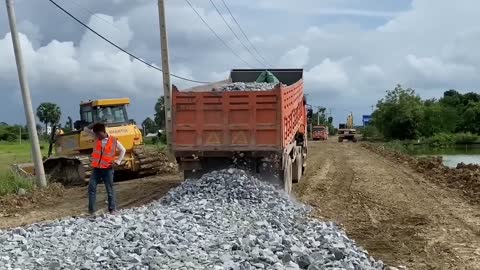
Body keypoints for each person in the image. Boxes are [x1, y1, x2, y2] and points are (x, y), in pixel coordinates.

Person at [84, 122, 126, 215]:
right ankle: (91, 210)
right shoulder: (95, 137)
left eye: (99, 134)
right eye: (96, 134)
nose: (98, 136)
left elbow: (123, 150)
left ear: (104, 132)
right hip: (97, 169)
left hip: (108, 169)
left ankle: (112, 209)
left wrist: (118, 161)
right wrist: (95, 123)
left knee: (109, 189)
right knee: (91, 187)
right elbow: (85, 129)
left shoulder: (113, 140)